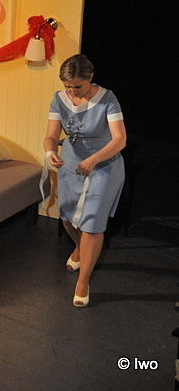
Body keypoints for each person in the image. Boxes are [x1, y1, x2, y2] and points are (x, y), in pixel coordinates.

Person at [43, 54, 126, 307]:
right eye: (68, 86)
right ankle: (81, 248)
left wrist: (94, 160)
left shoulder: (108, 99)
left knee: (91, 223)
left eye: (77, 86)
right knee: (68, 218)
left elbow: (120, 139)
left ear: (90, 78)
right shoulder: (59, 99)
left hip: (104, 165)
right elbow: (51, 136)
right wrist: (50, 153)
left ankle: (83, 280)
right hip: (71, 164)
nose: (72, 92)